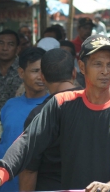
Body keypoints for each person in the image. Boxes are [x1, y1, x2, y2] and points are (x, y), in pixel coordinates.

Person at [0, 35, 110, 192]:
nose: (105, 71)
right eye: (97, 64)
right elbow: (27, 143)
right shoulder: (62, 103)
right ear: (82, 68)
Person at [19, 49, 80, 192]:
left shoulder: (39, 114)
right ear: (74, 73)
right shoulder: (97, 107)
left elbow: (29, 170)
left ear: (43, 77)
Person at [0, 48, 48, 192]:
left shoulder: (54, 105)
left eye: (44, 71)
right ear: (21, 73)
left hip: (37, 185)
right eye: (35, 71)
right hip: (4, 184)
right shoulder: (10, 105)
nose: (41, 76)